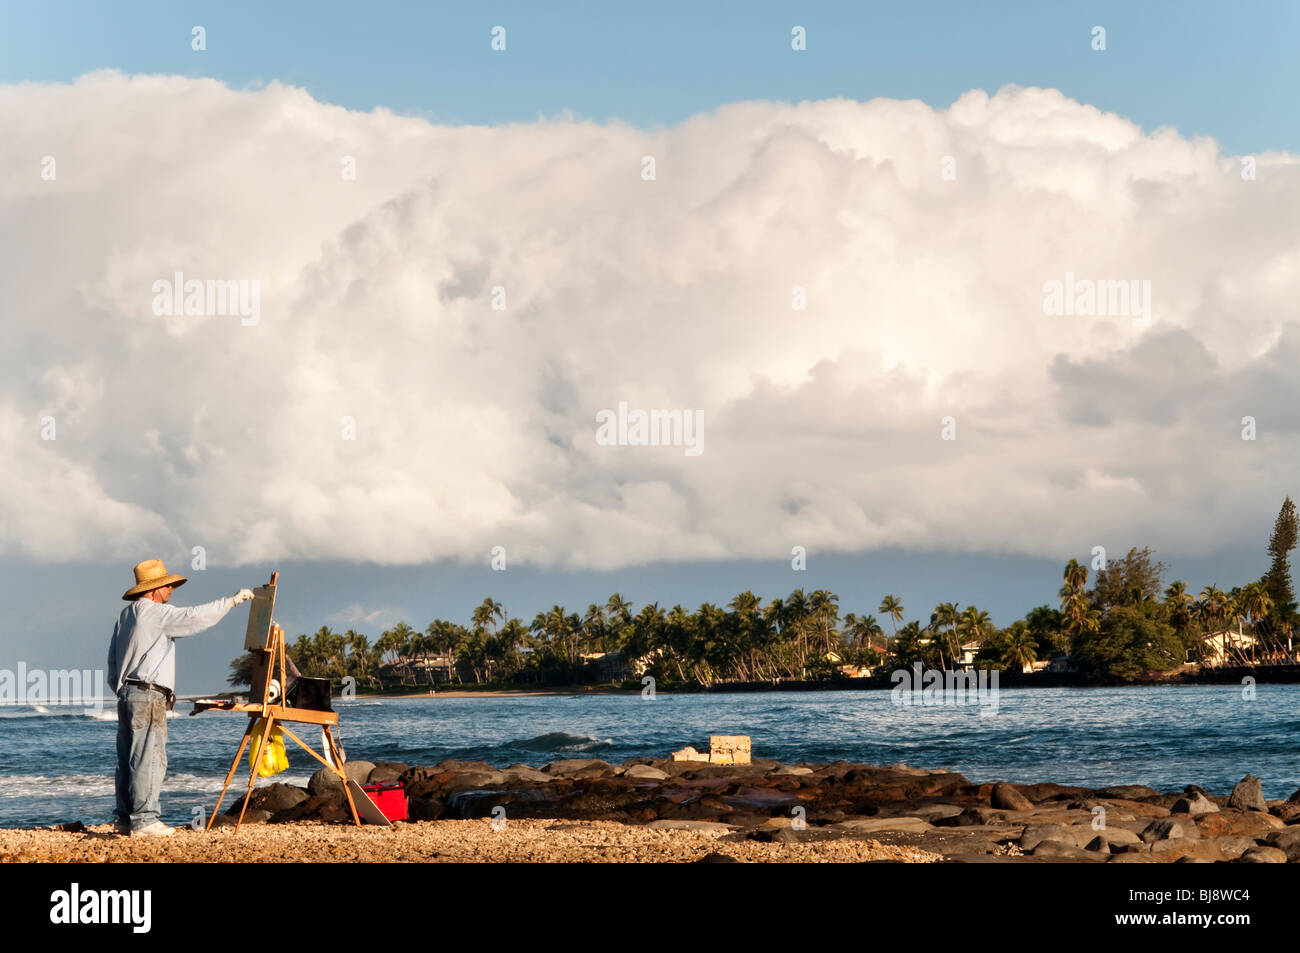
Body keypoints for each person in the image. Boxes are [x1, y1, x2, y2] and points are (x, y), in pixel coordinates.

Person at [107, 559, 254, 836]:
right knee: (149, 757)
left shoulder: (126, 615)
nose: (171, 589)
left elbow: (112, 661)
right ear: (153, 590)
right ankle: (145, 820)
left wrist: (121, 689)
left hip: (127, 693)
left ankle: (125, 819)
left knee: (127, 758)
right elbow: (194, 617)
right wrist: (232, 601)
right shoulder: (155, 613)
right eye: (167, 585)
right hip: (147, 693)